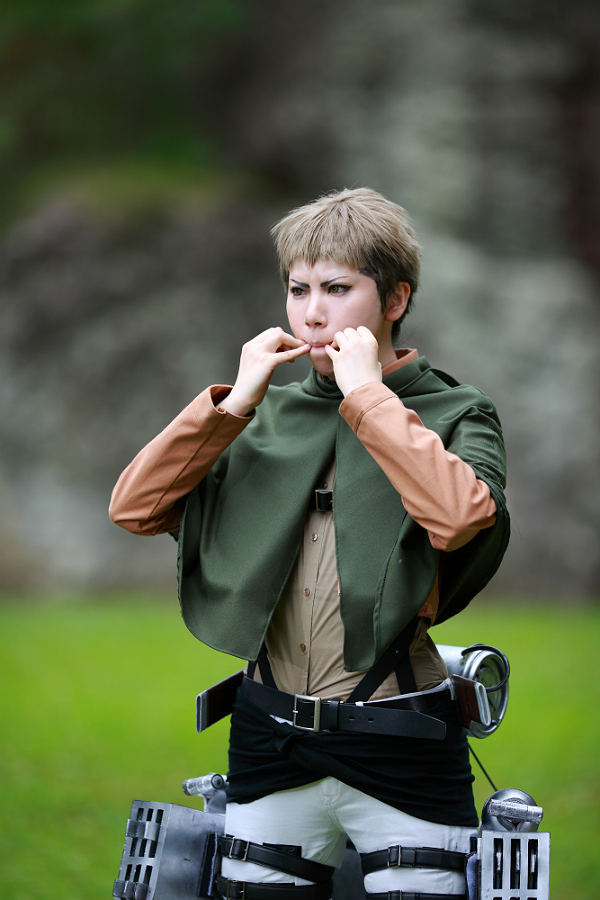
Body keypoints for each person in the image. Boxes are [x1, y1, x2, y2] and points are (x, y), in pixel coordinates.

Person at [110, 188, 509, 900]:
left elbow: (458, 517)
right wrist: (231, 406)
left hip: (402, 745)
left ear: (395, 300)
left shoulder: (456, 410)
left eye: (337, 288)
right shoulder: (261, 417)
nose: (312, 312)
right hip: (269, 743)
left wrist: (369, 399)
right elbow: (135, 508)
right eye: (298, 290)